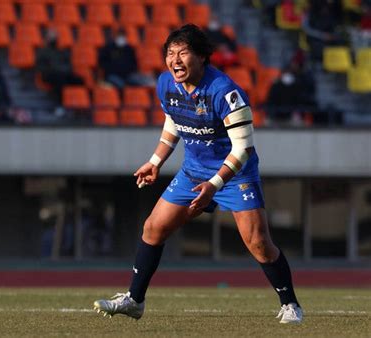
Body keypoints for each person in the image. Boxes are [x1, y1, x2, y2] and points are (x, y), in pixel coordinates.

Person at [93, 24, 303, 324]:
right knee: (153, 228)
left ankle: (290, 304)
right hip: (193, 173)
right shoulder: (166, 83)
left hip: (235, 174)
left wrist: (214, 185)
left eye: (183, 52)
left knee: (258, 244)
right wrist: (156, 161)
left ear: (203, 57)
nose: (175, 59)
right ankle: (134, 300)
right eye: (170, 53)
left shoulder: (225, 92)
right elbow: (174, 121)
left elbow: (243, 148)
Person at [35, 28, 83, 105]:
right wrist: (52, 70)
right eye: (51, 37)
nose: (54, 39)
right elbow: (40, 67)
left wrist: (66, 70)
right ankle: (60, 104)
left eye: (55, 37)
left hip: (63, 73)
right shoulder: (42, 51)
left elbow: (67, 63)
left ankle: (77, 102)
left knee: (79, 80)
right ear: (47, 38)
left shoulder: (60, 51)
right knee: (60, 80)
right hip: (49, 75)